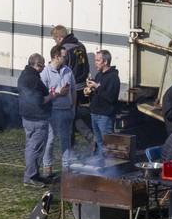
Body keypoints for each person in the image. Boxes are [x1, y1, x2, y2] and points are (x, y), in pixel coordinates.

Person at [41, 43, 76, 175]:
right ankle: (47, 167)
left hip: (66, 110)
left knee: (65, 140)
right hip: (52, 111)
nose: (66, 59)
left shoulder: (68, 70)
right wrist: (57, 92)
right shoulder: (45, 73)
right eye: (64, 56)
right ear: (56, 56)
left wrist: (73, 107)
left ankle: (66, 168)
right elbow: (42, 95)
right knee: (49, 141)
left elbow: (73, 91)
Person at [19, 53, 54, 187]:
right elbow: (39, 100)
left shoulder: (24, 75)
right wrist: (51, 96)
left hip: (28, 118)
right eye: (42, 65)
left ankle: (34, 174)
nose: (43, 68)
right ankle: (30, 178)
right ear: (36, 64)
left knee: (31, 147)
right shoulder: (32, 79)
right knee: (35, 148)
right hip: (36, 119)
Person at [84, 50, 120, 158]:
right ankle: (101, 167)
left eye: (98, 60)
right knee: (99, 144)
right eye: (95, 60)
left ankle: (111, 169)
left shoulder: (113, 77)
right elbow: (98, 93)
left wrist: (97, 87)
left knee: (107, 144)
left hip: (105, 116)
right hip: (94, 113)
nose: (95, 63)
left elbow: (111, 97)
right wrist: (89, 92)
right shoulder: (99, 75)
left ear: (105, 62)